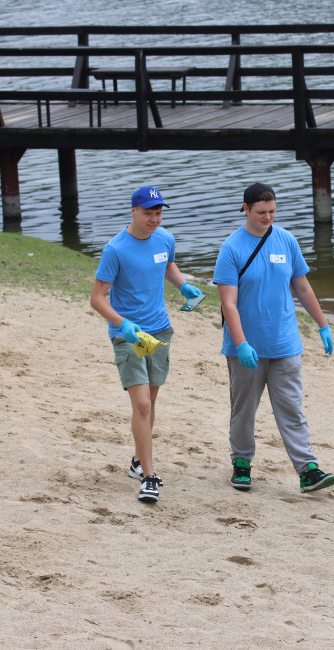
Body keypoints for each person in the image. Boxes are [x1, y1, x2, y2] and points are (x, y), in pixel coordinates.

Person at [213, 182, 334, 494]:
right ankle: (241, 463)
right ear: (245, 208)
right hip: (247, 347)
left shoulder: (287, 241)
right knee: (243, 410)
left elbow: (303, 287)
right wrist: (241, 343)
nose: (267, 217)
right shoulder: (232, 248)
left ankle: (307, 469)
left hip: (285, 344)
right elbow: (228, 302)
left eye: (272, 211)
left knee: (292, 408)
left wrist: (322, 324)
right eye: (260, 212)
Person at [90, 186, 203, 504]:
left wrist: (184, 285)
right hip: (128, 336)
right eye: (148, 213)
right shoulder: (116, 249)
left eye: (158, 213)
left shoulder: (165, 238)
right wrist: (123, 323)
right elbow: (97, 298)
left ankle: (138, 460)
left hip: (159, 333)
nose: (154, 219)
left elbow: (166, 265)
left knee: (149, 405)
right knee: (141, 405)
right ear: (133, 212)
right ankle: (149, 476)